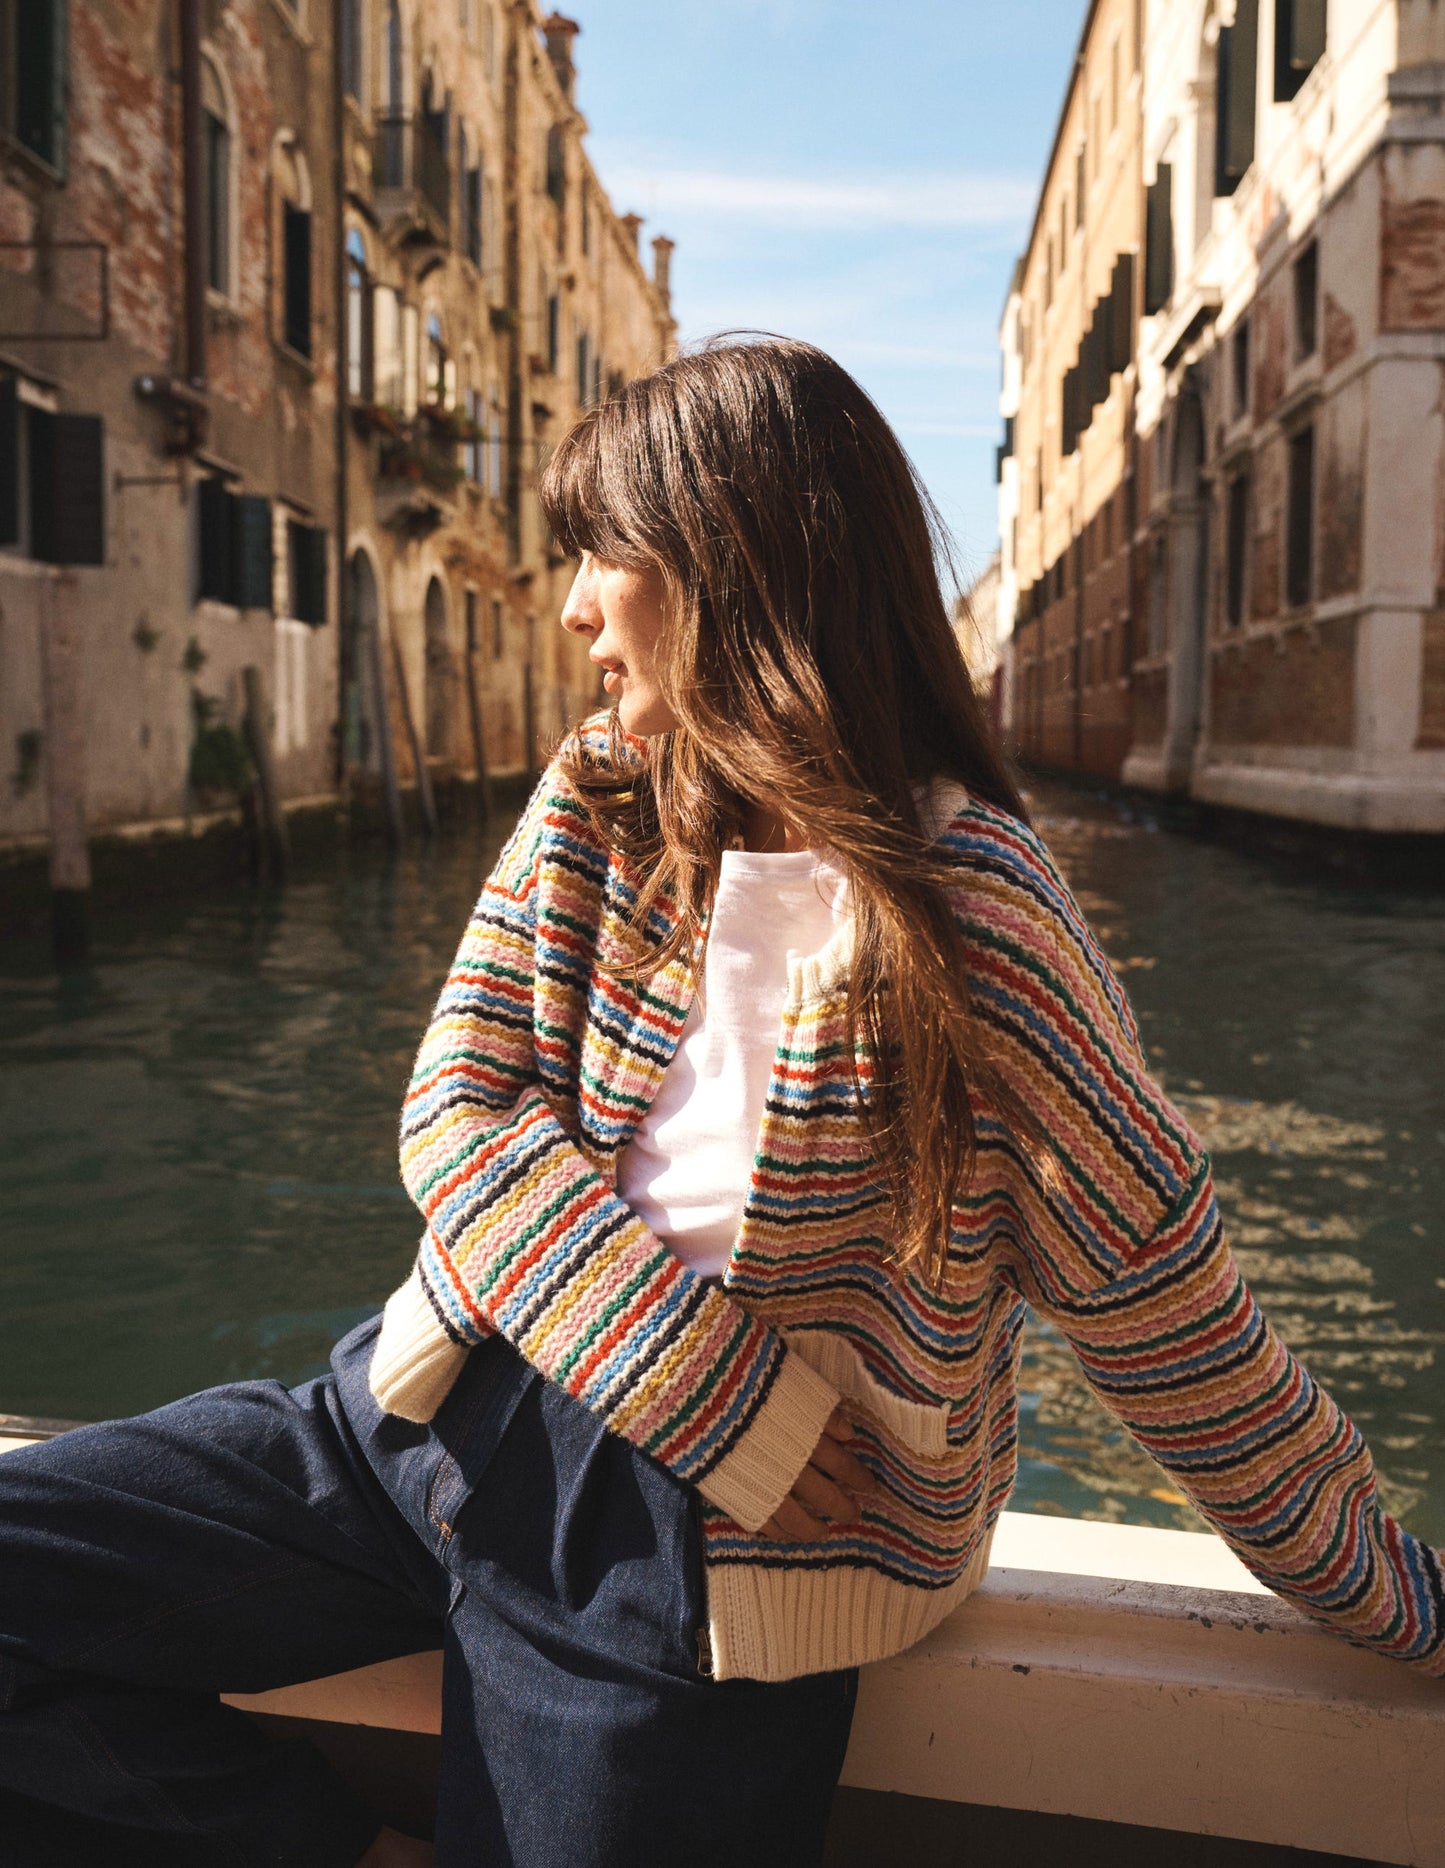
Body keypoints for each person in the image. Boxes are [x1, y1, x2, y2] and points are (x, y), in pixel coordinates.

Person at [0, 337, 1439, 1868]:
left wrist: (1405, 1606)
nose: (568, 609)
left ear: (727, 562)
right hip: (420, 1414)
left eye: (598, 556)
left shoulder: (980, 921)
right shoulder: (600, 796)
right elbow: (460, 1110)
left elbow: (1168, 1321)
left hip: (703, 1559)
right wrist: (705, 1384)